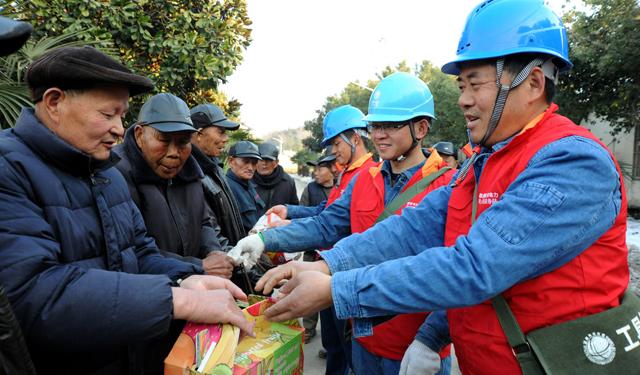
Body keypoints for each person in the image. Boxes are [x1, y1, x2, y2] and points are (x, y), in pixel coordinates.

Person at [253, 1, 629, 375]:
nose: (463, 99)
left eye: (475, 83)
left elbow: (476, 266)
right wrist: (329, 266)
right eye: (461, 85)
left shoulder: (572, 161)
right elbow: (414, 227)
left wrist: (339, 288)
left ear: (531, 83)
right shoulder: (483, 163)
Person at [0, 46, 254, 375]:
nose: (119, 129)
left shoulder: (105, 173)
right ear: (54, 102)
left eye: (122, 116)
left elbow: (138, 253)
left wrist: (186, 279)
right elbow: (32, 296)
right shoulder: (9, 169)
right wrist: (177, 300)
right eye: (108, 115)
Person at [232, 73, 456, 375]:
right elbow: (325, 226)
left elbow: (458, 269)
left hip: (415, 351)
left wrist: (431, 340)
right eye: (375, 126)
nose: (378, 135)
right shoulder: (365, 179)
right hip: (363, 336)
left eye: (390, 125)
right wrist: (264, 240)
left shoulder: (448, 185)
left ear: (421, 127)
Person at [114, 93, 235, 280]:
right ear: (139, 135)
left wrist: (213, 253)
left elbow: (203, 222)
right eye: (163, 141)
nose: (173, 153)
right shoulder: (115, 173)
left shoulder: (191, 171)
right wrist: (197, 266)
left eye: (183, 142)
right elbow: (128, 249)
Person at [190, 103, 246, 247]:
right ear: (199, 134)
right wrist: (241, 264)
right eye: (221, 132)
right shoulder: (191, 174)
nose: (226, 138)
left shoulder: (215, 167)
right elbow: (213, 236)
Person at [299, 152, 337, 344]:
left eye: (320, 168)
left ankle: (330, 342)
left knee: (331, 297)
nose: (316, 172)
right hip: (312, 251)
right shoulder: (310, 188)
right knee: (310, 291)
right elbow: (304, 214)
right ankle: (309, 328)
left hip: (334, 253)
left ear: (331, 169)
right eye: (315, 168)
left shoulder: (341, 189)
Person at [226, 141, 265, 234]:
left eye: (254, 163)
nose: (251, 168)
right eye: (246, 162)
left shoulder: (248, 185)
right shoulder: (226, 188)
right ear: (231, 161)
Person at [252, 142, 299, 211]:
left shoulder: (287, 182)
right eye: (261, 159)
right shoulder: (248, 179)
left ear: (276, 162)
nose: (264, 163)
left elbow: (294, 209)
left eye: (268, 160)